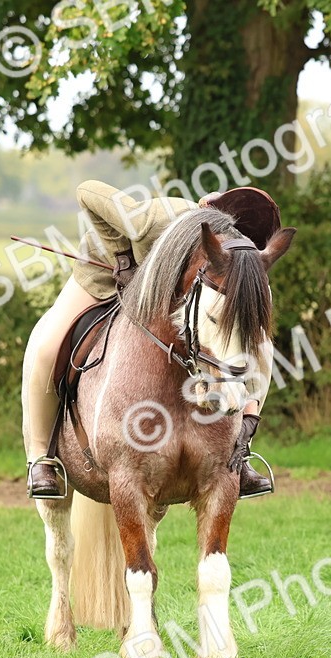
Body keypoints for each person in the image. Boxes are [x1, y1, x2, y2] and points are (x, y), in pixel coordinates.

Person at [23, 180, 276, 500]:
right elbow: (85, 190)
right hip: (102, 274)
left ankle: (241, 451)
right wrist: (123, 258)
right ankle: (40, 459)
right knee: (47, 349)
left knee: (256, 346)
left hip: (165, 288)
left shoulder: (224, 263)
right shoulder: (148, 222)